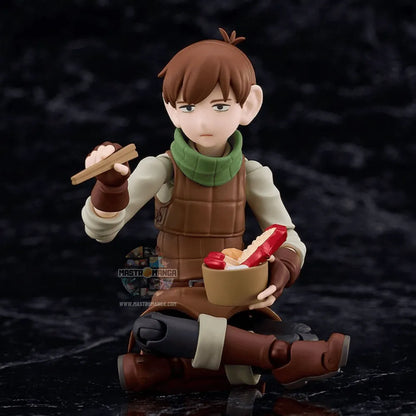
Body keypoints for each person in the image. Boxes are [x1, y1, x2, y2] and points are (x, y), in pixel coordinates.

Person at [81, 28, 350, 391]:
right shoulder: (160, 168)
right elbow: (102, 230)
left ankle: (175, 370)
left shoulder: (252, 174)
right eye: (188, 107)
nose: (203, 122)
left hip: (235, 298)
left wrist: (283, 268)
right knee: (152, 329)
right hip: (177, 300)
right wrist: (111, 187)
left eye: (220, 106)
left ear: (249, 106)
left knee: (300, 333)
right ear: (171, 110)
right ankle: (275, 357)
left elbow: (287, 235)